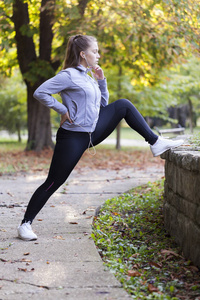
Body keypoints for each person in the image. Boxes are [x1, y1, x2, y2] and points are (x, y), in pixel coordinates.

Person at [17, 34, 184, 241]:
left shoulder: (89, 76)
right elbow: (40, 92)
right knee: (55, 181)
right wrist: (62, 109)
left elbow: (103, 107)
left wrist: (101, 81)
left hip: (93, 130)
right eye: (94, 51)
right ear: (82, 54)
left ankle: (155, 142)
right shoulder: (68, 75)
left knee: (123, 105)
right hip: (73, 137)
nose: (98, 55)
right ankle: (26, 224)